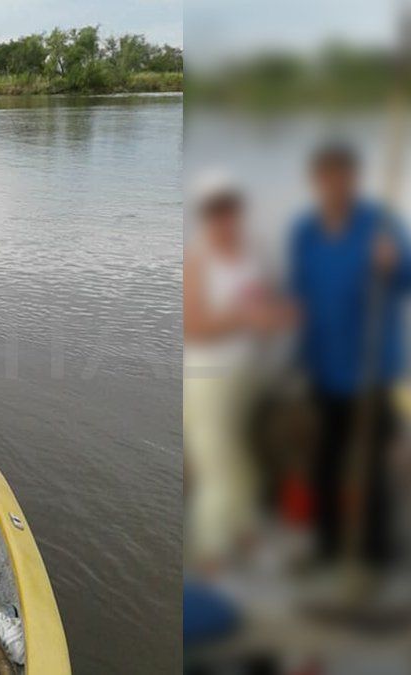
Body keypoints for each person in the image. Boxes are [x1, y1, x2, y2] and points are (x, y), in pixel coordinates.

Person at [288, 143, 410, 568]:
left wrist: (395, 263)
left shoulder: (379, 226)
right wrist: (298, 361)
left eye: (343, 177)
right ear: (317, 181)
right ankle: (327, 547)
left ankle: (375, 556)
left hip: (371, 369)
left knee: (372, 466)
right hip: (324, 370)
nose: (335, 185)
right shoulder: (305, 231)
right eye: (327, 177)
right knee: (325, 460)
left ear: (354, 180)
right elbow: (300, 297)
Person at [183, 171, 292, 574]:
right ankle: (210, 560)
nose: (225, 220)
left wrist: (278, 317)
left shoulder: (253, 256)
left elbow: (268, 307)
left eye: (231, 210)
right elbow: (195, 326)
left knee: (247, 461)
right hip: (208, 378)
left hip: (247, 374)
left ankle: (246, 539)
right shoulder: (199, 260)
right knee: (217, 467)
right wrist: (243, 319)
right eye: (216, 211)